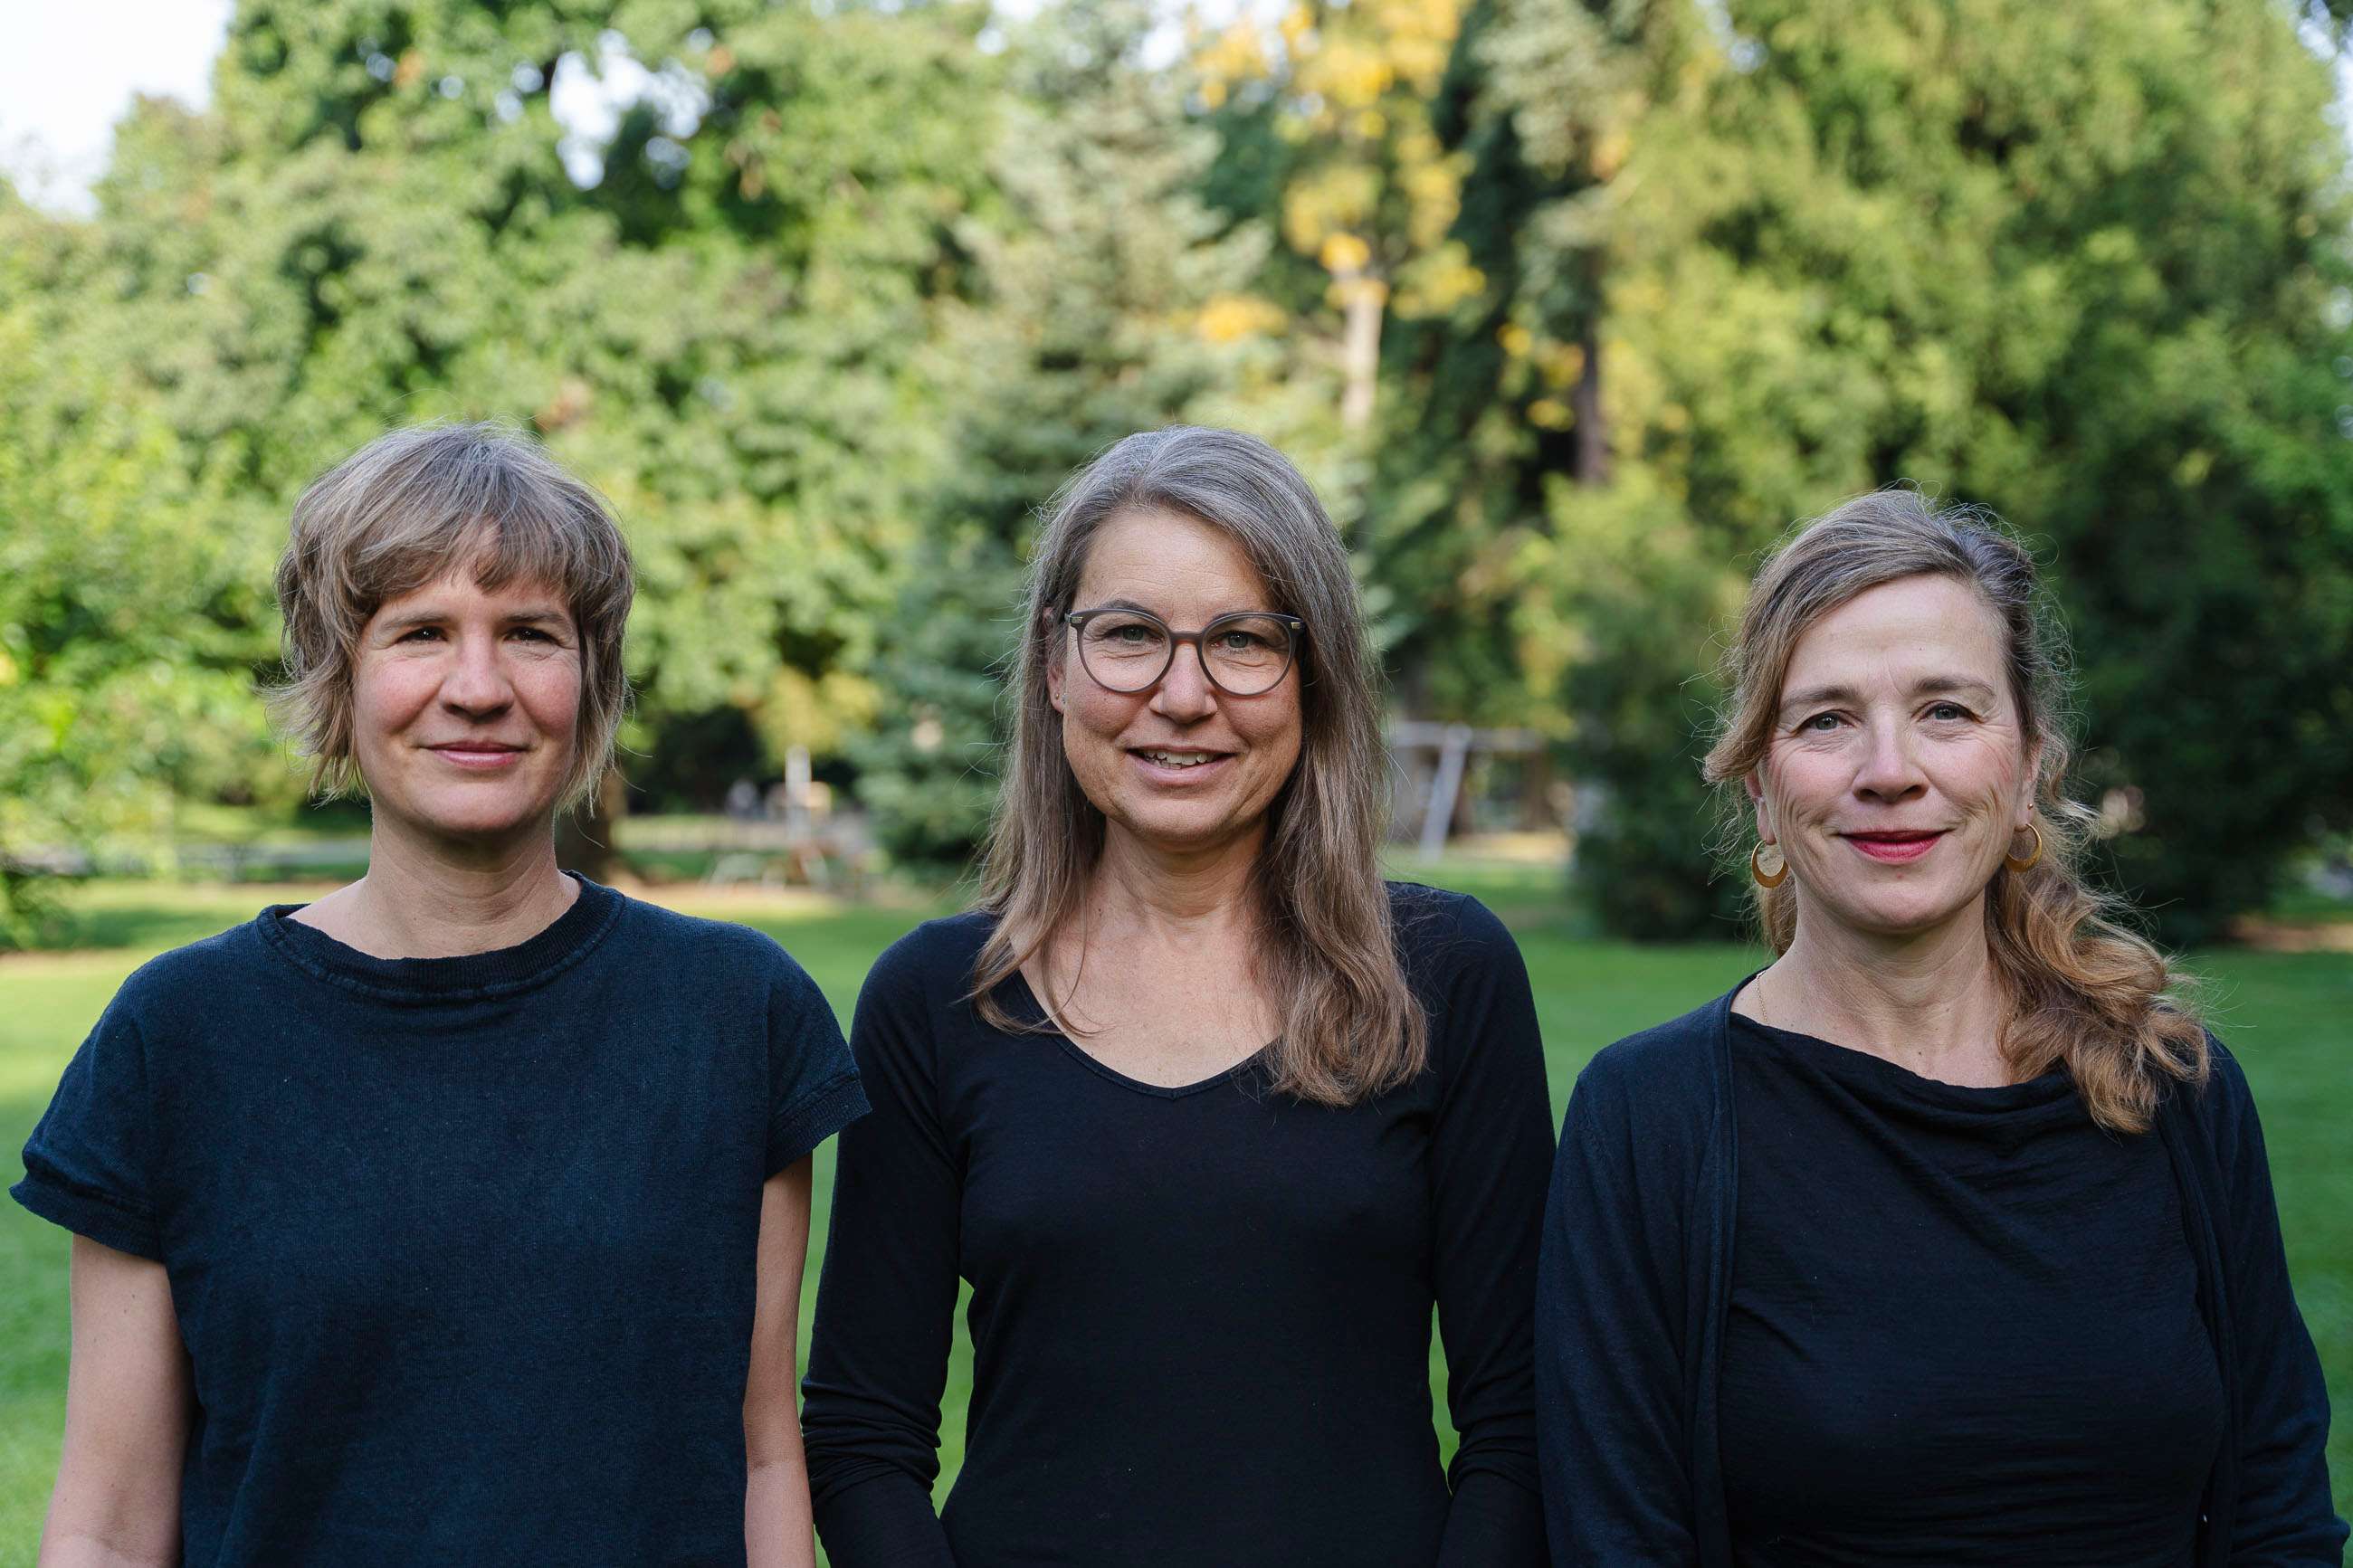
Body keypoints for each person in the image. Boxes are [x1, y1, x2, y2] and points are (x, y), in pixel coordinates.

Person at [13, 423, 868, 1566]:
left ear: (590, 677)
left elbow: (764, 1453)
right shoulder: (177, 1037)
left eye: (529, 634)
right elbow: (109, 1526)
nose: (479, 687)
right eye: (420, 632)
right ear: (339, 673)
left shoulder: (733, 1014)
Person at [1536, 489, 2346, 1566]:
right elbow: (1614, 1539)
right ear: (1761, 788)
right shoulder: (1654, 1117)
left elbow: (2276, 1511)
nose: (1888, 769)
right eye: (1825, 718)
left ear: (2026, 768)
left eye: (1946, 711)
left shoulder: (2168, 1087)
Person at [800, 426, 1554, 1565]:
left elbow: (1523, 1420)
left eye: (1243, 639)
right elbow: (862, 1436)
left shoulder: (1441, 974)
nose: (1182, 694)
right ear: (1054, 667)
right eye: (1129, 636)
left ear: (1312, 676)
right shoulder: (938, 1001)